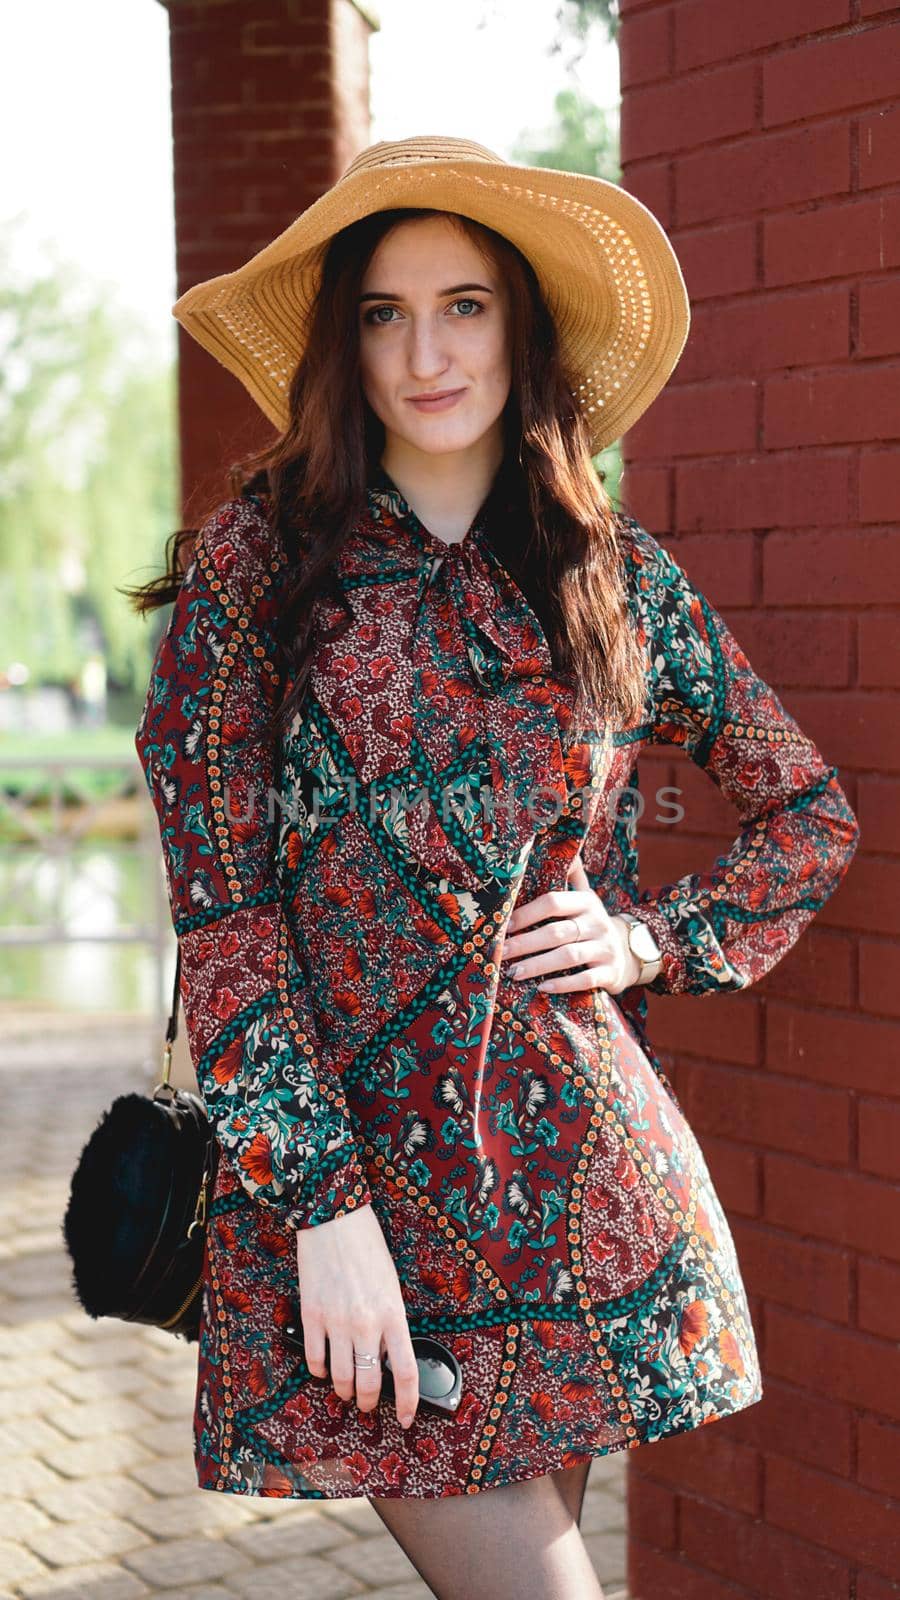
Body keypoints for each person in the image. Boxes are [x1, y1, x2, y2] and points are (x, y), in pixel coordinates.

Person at [129, 137, 860, 1600]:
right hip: (349, 1203)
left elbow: (809, 811)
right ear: (344, 341)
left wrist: (654, 941)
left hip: (579, 1189)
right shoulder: (252, 569)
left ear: (520, 328)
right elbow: (226, 922)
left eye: (463, 304)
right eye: (384, 312)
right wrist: (323, 1213)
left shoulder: (611, 573)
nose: (425, 350)